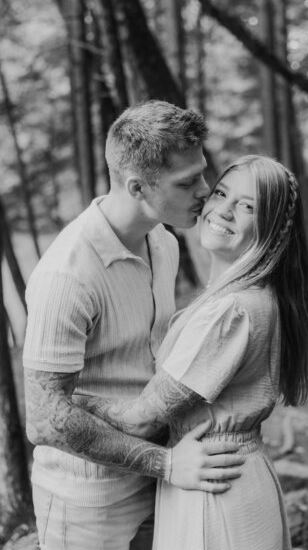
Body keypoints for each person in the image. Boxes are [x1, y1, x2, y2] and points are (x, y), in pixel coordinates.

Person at [74, 154, 308, 550]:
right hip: (218, 474)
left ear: (273, 228)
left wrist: (67, 401)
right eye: (222, 193)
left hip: (215, 487)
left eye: (247, 206)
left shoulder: (231, 311)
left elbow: (142, 421)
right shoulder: (241, 298)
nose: (223, 210)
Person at [22, 100, 246, 550]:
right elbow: (45, 421)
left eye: (201, 173)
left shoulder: (164, 243)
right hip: (88, 505)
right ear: (137, 187)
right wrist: (165, 464)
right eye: (187, 183)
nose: (205, 190)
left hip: (159, 482)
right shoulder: (67, 276)